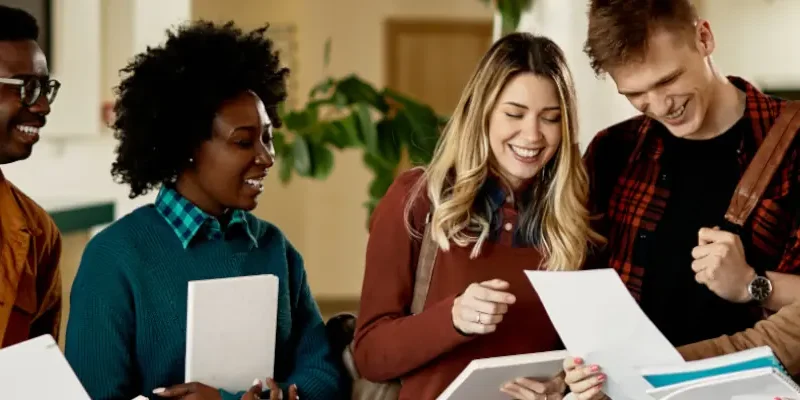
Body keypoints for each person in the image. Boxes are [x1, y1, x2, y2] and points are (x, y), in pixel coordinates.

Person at [64, 21, 344, 400]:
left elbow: (322, 370)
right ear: (186, 146)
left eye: (268, 138)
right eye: (243, 141)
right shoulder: (115, 258)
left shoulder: (274, 248)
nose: (266, 157)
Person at [564, 1, 800, 398]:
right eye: (635, 94)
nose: (659, 107)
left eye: (668, 80)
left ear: (704, 38)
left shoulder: (793, 145)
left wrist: (752, 284)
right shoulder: (612, 151)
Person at [352, 32, 604, 400]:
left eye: (550, 118)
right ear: (480, 112)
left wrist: (560, 385)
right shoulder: (417, 200)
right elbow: (370, 356)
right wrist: (452, 318)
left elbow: (577, 358)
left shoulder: (575, 220)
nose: (532, 135)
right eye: (514, 114)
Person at [0, 5, 62, 349]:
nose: (42, 106)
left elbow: (40, 376)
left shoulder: (39, 234)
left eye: (44, 89)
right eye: (26, 88)